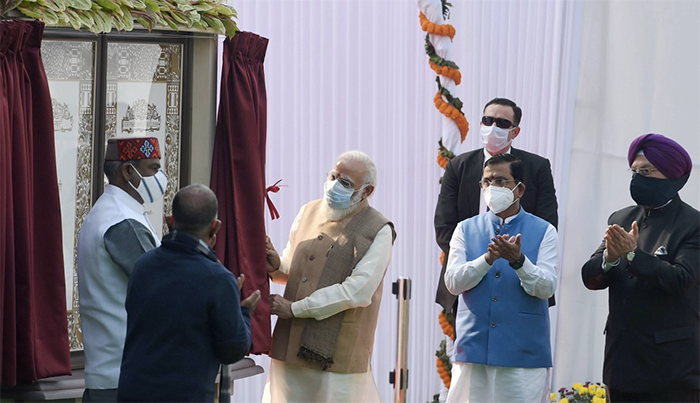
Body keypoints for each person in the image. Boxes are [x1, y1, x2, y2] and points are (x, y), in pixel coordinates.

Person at [262, 150, 396, 403]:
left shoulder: (378, 230)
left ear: (367, 191)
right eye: (333, 176)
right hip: (289, 345)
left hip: (336, 354)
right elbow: (292, 268)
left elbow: (357, 291)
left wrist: (295, 308)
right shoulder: (309, 210)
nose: (334, 186)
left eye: (345, 183)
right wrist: (276, 264)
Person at [581, 134, 699, 403]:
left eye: (646, 171)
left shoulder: (693, 224)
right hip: (621, 363)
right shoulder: (621, 218)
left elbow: (682, 279)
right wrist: (609, 258)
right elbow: (590, 278)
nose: (637, 178)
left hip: (671, 369)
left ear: (672, 174)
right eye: (633, 171)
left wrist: (633, 255)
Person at [117, 184, 261, 402]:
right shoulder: (218, 279)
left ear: (170, 221)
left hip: (134, 393)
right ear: (215, 228)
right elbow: (232, 349)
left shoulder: (143, 266)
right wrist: (243, 312)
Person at [444, 153, 558, 403]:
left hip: (523, 355)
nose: (491, 187)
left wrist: (519, 262)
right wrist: (487, 260)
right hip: (473, 350)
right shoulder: (465, 228)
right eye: (486, 182)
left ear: (519, 189)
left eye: (500, 181)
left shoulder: (545, 231)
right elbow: (453, 282)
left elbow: (547, 287)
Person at [434, 97, 558, 313]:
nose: (493, 127)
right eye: (488, 120)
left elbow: (546, 224)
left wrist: (511, 262)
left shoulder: (537, 167)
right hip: (468, 284)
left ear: (515, 132)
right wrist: (482, 263)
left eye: (501, 123)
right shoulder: (458, 166)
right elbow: (444, 227)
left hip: (520, 281)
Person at [76, 136, 167, 402]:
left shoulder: (112, 212)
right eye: (153, 168)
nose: (160, 177)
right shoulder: (123, 222)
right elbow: (163, 288)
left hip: (113, 373)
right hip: (126, 378)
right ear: (128, 171)